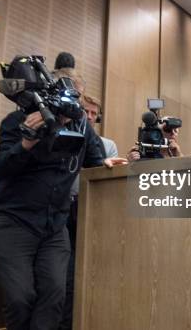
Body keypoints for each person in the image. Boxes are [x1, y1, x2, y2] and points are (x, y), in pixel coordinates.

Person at [0, 82, 126, 330]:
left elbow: (94, 159)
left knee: (54, 297)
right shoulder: (18, 121)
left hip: (54, 227)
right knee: (20, 299)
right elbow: (3, 166)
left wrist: (105, 162)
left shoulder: (81, 126)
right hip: (13, 221)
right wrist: (26, 143)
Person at [59, 94, 120, 330]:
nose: (90, 116)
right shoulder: (65, 133)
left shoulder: (107, 144)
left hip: (89, 212)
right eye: (86, 111)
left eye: (95, 113)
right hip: (62, 208)